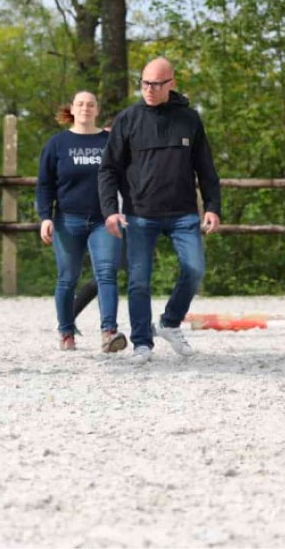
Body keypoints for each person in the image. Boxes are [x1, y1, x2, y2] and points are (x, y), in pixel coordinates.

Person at [98, 57, 221, 364]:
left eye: (156, 84)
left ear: (171, 84)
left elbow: (206, 168)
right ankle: (142, 342)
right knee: (139, 280)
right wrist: (111, 210)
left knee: (195, 269)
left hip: (183, 213)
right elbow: (108, 170)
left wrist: (213, 206)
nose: (149, 89)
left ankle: (169, 322)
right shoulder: (127, 120)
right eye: (144, 83)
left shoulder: (189, 120)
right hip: (140, 214)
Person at [36, 91, 127, 353]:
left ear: (97, 110)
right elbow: (44, 185)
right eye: (80, 104)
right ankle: (66, 332)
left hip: (104, 220)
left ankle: (109, 332)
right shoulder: (57, 144)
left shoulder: (110, 141)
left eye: (90, 104)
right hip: (67, 220)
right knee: (67, 278)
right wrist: (45, 217)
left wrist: (127, 210)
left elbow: (124, 179)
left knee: (107, 273)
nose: (85, 108)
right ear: (72, 109)